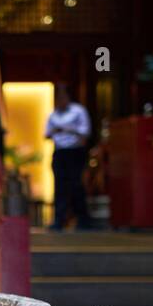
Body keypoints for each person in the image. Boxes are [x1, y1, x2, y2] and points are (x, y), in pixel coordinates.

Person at [45, 83, 92, 231]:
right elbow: (46, 134)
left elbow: (85, 133)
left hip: (75, 151)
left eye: (63, 96)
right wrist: (57, 131)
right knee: (60, 186)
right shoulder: (53, 114)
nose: (61, 100)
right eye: (58, 97)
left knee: (76, 185)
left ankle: (82, 220)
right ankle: (59, 220)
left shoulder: (78, 111)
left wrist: (67, 130)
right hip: (60, 152)